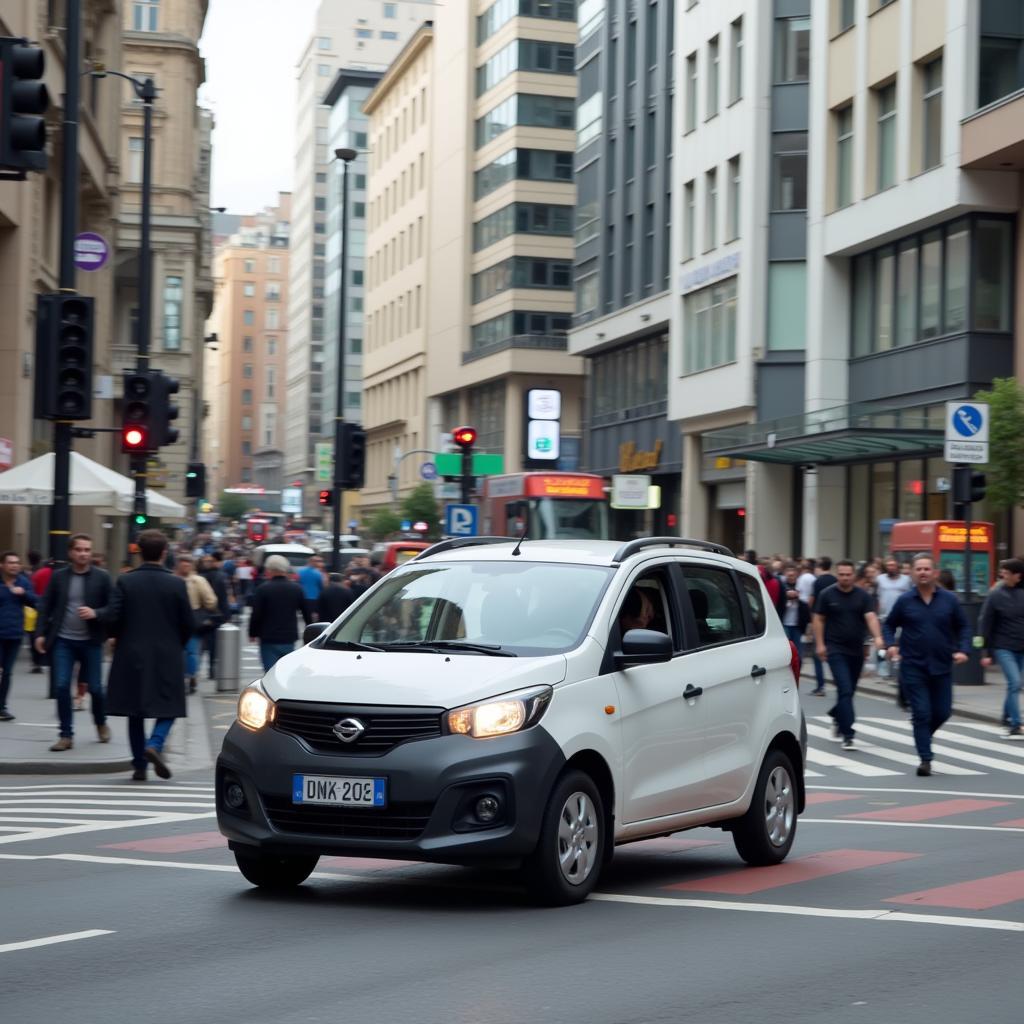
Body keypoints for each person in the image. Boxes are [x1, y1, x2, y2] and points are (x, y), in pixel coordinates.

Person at [85, 529, 192, 781]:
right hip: (167, 653)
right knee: (170, 706)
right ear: (165, 552)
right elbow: (188, 623)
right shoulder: (177, 583)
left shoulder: (125, 581)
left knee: (135, 711)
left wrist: (115, 636)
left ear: (139, 552)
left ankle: (140, 765)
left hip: (131, 653)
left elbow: (113, 616)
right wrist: (178, 643)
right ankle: (155, 743)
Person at [884, 553, 970, 776]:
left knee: (942, 712)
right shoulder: (905, 601)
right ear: (912, 573)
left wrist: (963, 649)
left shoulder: (949, 600)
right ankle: (925, 759)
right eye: (918, 569)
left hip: (942, 666)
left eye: (926, 569)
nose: (922, 572)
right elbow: (889, 624)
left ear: (935, 573)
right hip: (913, 665)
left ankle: (922, 735)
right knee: (921, 713)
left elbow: (964, 627)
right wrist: (891, 644)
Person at [34, 534, 113, 751]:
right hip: (63, 641)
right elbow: (45, 606)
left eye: (87, 550)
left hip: (91, 641)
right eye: (79, 549)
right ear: (71, 552)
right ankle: (66, 735)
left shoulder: (102, 577)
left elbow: (114, 608)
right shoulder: (59, 577)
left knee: (96, 689)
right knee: (61, 686)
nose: (83, 553)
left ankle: (100, 722)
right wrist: (40, 633)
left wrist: (96, 612)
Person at [813, 559, 885, 750]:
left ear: (854, 575)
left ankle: (838, 715)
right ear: (837, 575)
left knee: (850, 690)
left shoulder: (863, 596)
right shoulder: (827, 594)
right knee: (844, 689)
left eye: (848, 574)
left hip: (856, 650)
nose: (845, 578)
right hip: (835, 648)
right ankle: (848, 733)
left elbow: (870, 616)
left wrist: (877, 637)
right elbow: (818, 619)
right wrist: (820, 644)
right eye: (842, 574)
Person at [979, 557, 1024, 739]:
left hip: (1022, 647)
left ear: (1017, 576)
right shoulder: (995, 594)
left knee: (1014, 685)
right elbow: (984, 623)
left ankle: (1006, 715)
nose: (1002, 575)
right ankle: (1016, 723)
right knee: (1015, 683)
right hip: (1003, 647)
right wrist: (984, 651)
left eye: (1005, 573)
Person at [249, 554, 308, 671]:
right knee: (285, 671)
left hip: (268, 636)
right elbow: (306, 612)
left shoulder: (262, 589)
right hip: (288, 635)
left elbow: (256, 614)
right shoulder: (296, 588)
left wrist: (252, 633)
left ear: (269, 570)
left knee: (270, 672)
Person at [0, 552, 37, 722]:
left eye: (17, 562)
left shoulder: (23, 582)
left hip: (14, 634)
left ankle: (2, 707)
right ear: (2, 565)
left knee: (7, 673)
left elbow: (36, 601)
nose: (15, 565)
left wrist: (24, 594)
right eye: (10, 563)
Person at [175, 555, 218, 695]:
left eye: (188, 563)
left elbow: (211, 601)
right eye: (183, 563)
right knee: (190, 651)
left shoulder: (196, 581)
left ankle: (189, 675)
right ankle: (188, 675)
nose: (185, 566)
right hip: (185, 619)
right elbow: (211, 601)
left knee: (189, 650)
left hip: (186, 620)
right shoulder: (197, 580)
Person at [875, 557, 912, 681]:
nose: (891, 567)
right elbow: (878, 597)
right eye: (889, 565)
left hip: (901, 617)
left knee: (898, 644)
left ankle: (897, 670)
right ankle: (882, 671)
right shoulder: (880, 579)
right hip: (884, 616)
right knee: (883, 645)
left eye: (893, 565)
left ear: (898, 566)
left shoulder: (906, 580)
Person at [807, 557, 837, 695]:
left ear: (819, 566)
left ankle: (821, 686)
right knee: (833, 653)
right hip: (833, 622)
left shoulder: (817, 581)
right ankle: (839, 680)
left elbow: (812, 601)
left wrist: (811, 619)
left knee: (817, 654)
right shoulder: (835, 580)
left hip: (819, 621)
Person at [199, 554, 231, 680]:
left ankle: (194, 669)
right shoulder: (221, 576)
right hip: (216, 615)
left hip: (201, 615)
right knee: (213, 645)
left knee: (200, 643)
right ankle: (212, 668)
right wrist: (227, 615)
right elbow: (223, 598)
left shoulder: (198, 577)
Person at [781, 563, 810, 673]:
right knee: (787, 653)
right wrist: (787, 598)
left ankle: (797, 672)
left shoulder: (801, 588)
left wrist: (798, 597)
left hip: (798, 625)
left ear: (796, 575)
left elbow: (806, 603)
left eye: (793, 575)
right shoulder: (782, 587)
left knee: (799, 654)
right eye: (789, 575)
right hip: (785, 624)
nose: (791, 576)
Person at [297, 554, 325, 621]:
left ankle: (308, 626)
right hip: (314, 598)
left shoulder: (300, 571)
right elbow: (321, 586)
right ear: (312, 562)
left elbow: (297, 583)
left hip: (303, 597)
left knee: (306, 616)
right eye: (316, 561)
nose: (317, 563)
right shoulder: (317, 573)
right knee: (315, 616)